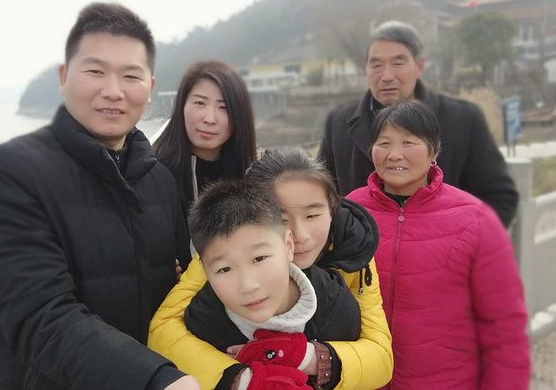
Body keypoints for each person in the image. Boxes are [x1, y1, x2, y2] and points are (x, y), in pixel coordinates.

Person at [0, 3, 198, 390]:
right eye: (95, 71)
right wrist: (153, 377)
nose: (113, 91)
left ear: (150, 88)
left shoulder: (159, 180)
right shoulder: (10, 172)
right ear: (64, 77)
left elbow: (180, 292)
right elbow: (39, 314)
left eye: (130, 76)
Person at [149, 147, 393, 390]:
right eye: (282, 219)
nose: (300, 235)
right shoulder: (229, 255)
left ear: (331, 210)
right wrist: (237, 378)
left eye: (312, 215)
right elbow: (164, 329)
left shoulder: (354, 249)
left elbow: (380, 358)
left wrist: (308, 357)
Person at [346, 99, 530, 389]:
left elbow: (504, 326)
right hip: (362, 380)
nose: (394, 154)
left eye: (408, 142)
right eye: (384, 143)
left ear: (434, 151)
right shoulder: (348, 213)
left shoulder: (475, 220)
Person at [318, 20, 519, 227]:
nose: (386, 76)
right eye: (376, 65)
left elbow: (499, 198)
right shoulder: (339, 122)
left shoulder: (462, 120)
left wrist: (460, 241)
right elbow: (321, 196)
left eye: (398, 63)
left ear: (419, 66)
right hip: (362, 246)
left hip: (442, 243)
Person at [182, 179, 363, 389]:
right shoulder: (202, 322)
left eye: (259, 258)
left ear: (288, 246)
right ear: (205, 270)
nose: (248, 285)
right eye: (224, 269)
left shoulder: (337, 309)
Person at [153, 60, 257, 216]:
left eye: (223, 107)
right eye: (200, 103)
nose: (209, 119)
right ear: (182, 105)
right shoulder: (153, 175)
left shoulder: (254, 178)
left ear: (239, 115)